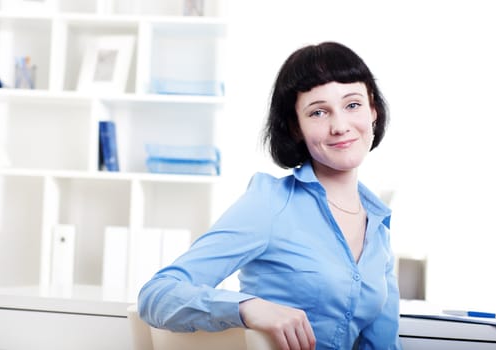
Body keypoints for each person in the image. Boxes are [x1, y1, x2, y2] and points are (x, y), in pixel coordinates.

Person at [138, 41, 401, 350]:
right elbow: (157, 294)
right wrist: (247, 308)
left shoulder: (378, 227)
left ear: (373, 109)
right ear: (295, 127)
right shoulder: (270, 204)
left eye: (352, 105)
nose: (340, 126)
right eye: (318, 112)